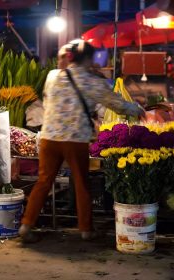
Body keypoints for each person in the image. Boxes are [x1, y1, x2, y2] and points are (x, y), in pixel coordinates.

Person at [19, 39, 145, 243]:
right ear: (87, 58)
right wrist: (137, 110)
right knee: (81, 183)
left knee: (43, 182)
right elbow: (117, 104)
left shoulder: (52, 76)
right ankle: (86, 229)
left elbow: (47, 99)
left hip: (49, 138)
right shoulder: (92, 82)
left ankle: (26, 224)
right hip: (75, 140)